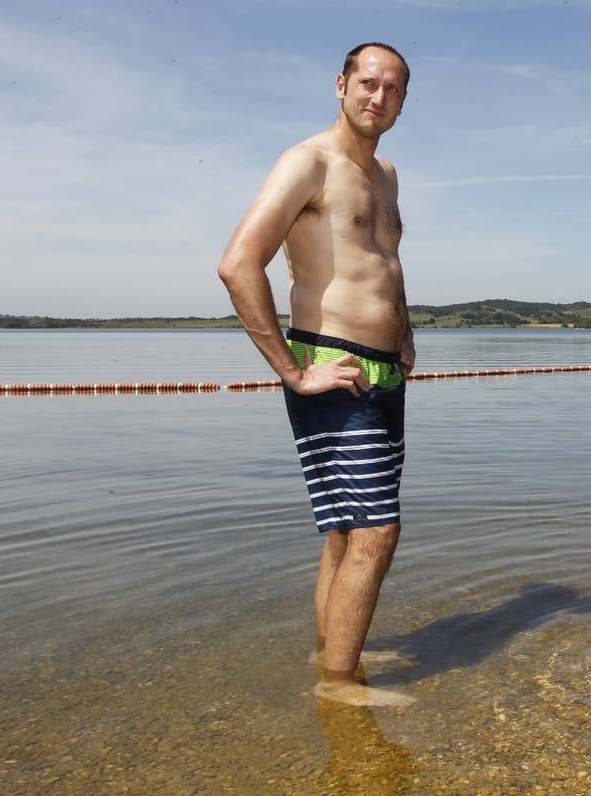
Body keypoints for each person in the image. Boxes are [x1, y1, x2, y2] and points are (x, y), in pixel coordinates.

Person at [218, 43, 415, 707]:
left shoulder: (384, 173)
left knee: (346, 527)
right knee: (376, 531)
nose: (377, 98)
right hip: (333, 367)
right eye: (367, 83)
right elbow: (240, 263)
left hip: (385, 374)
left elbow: (383, 265)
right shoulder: (308, 161)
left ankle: (332, 652)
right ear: (340, 85)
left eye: (392, 89)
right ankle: (339, 688)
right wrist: (293, 371)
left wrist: (406, 337)